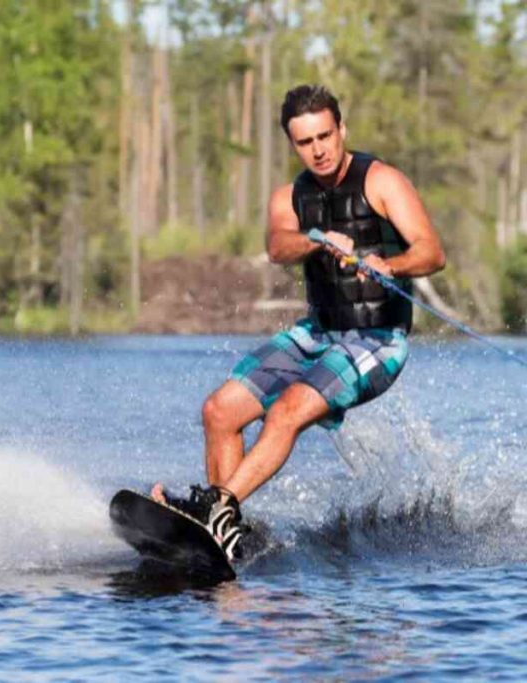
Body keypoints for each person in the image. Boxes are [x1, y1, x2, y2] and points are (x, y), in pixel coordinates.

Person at [151, 84, 447, 560]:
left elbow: (433, 253)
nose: (319, 150)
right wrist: (320, 239)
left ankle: (217, 509)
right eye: (306, 142)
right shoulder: (289, 197)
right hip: (318, 334)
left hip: (378, 339)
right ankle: (224, 532)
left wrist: (385, 265)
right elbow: (277, 248)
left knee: (288, 409)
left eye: (325, 136)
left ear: (341, 129)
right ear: (293, 144)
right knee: (219, 411)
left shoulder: (382, 181)